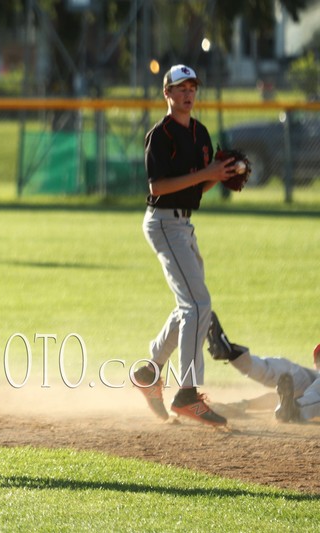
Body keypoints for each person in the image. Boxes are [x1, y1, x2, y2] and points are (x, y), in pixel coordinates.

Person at [132, 64, 238, 426]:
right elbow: (158, 186)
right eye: (181, 87)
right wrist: (207, 174)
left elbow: (197, 184)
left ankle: (149, 372)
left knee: (189, 305)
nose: (188, 93)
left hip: (184, 225)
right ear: (167, 93)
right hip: (163, 222)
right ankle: (187, 394)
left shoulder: (200, 133)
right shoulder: (160, 135)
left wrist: (221, 175)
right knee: (197, 304)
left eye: (192, 87)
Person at [207, 311, 320, 423]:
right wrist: (245, 404)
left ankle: (295, 411)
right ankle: (233, 354)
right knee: (287, 369)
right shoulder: (310, 379)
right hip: (311, 384)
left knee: (313, 391)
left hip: (311, 397)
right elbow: (275, 397)